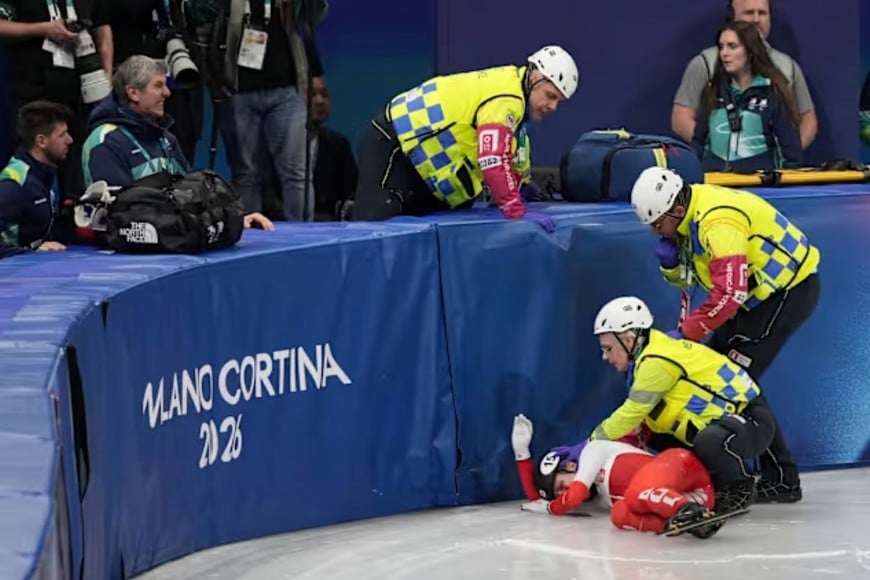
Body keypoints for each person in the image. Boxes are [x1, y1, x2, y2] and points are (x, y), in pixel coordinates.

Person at [630, 166, 820, 503]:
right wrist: (670, 266)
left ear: (676, 208)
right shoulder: (687, 217)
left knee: (737, 382)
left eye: (658, 225)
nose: (655, 232)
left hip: (785, 292)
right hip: (751, 300)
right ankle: (724, 468)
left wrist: (688, 333)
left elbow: (730, 293)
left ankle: (782, 479)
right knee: (716, 374)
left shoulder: (718, 222)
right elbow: (691, 281)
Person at [587, 296, 785, 514]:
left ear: (628, 339)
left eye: (608, 348)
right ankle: (715, 483)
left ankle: (741, 487)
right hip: (731, 422)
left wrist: (591, 442)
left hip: (752, 421)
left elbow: (632, 413)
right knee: (659, 436)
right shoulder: (653, 352)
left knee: (709, 440)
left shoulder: (656, 361)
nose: (605, 357)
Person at [349, 45, 578, 230]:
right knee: (376, 231)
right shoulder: (508, 97)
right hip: (393, 140)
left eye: (559, 101)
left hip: (421, 161)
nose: (553, 107)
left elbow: (515, 165)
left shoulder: (519, 115)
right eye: (550, 96)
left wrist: (525, 189)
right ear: (535, 76)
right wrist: (516, 212)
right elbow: (493, 159)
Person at [80, 55, 272, 230]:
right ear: (133, 93)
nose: (167, 92)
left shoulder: (166, 139)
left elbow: (192, 194)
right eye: (158, 86)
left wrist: (234, 219)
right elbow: (121, 213)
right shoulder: (104, 142)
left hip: (170, 236)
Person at [510, 414, 725, 538]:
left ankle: (686, 511)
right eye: (559, 494)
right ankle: (686, 522)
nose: (564, 493)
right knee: (619, 514)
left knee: (633, 496)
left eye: (561, 485)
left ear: (569, 466)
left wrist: (550, 508)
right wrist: (522, 454)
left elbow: (573, 496)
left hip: (681, 467)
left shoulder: (592, 451)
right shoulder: (598, 498)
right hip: (699, 498)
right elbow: (538, 500)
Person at [0, 0, 114, 203]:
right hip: (31, 90)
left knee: (74, 163)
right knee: (35, 162)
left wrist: (105, 75)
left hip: (79, 92)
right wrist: (43, 29)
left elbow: (102, 27)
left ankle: (73, 210)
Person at [672, 0, 817, 151]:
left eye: (762, 13)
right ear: (732, 16)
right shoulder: (705, 63)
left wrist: (787, 152)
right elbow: (680, 118)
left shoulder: (788, 66)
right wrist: (717, 151)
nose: (756, 19)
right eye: (749, 13)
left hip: (772, 164)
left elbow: (808, 119)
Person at [692, 21, 802, 171]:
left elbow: (791, 154)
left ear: (750, 50)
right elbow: (699, 143)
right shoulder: (712, 91)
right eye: (721, 47)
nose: (724, 53)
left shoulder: (773, 93)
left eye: (732, 46)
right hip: (715, 182)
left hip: (758, 182)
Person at [0, 100, 74, 257]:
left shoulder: (48, 172)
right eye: (62, 135)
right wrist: (30, 254)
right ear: (41, 141)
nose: (70, 140)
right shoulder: (14, 183)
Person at [309, 76, 358, 221]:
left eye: (324, 95)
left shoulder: (338, 144)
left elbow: (352, 192)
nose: (320, 101)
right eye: (312, 94)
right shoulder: (276, 145)